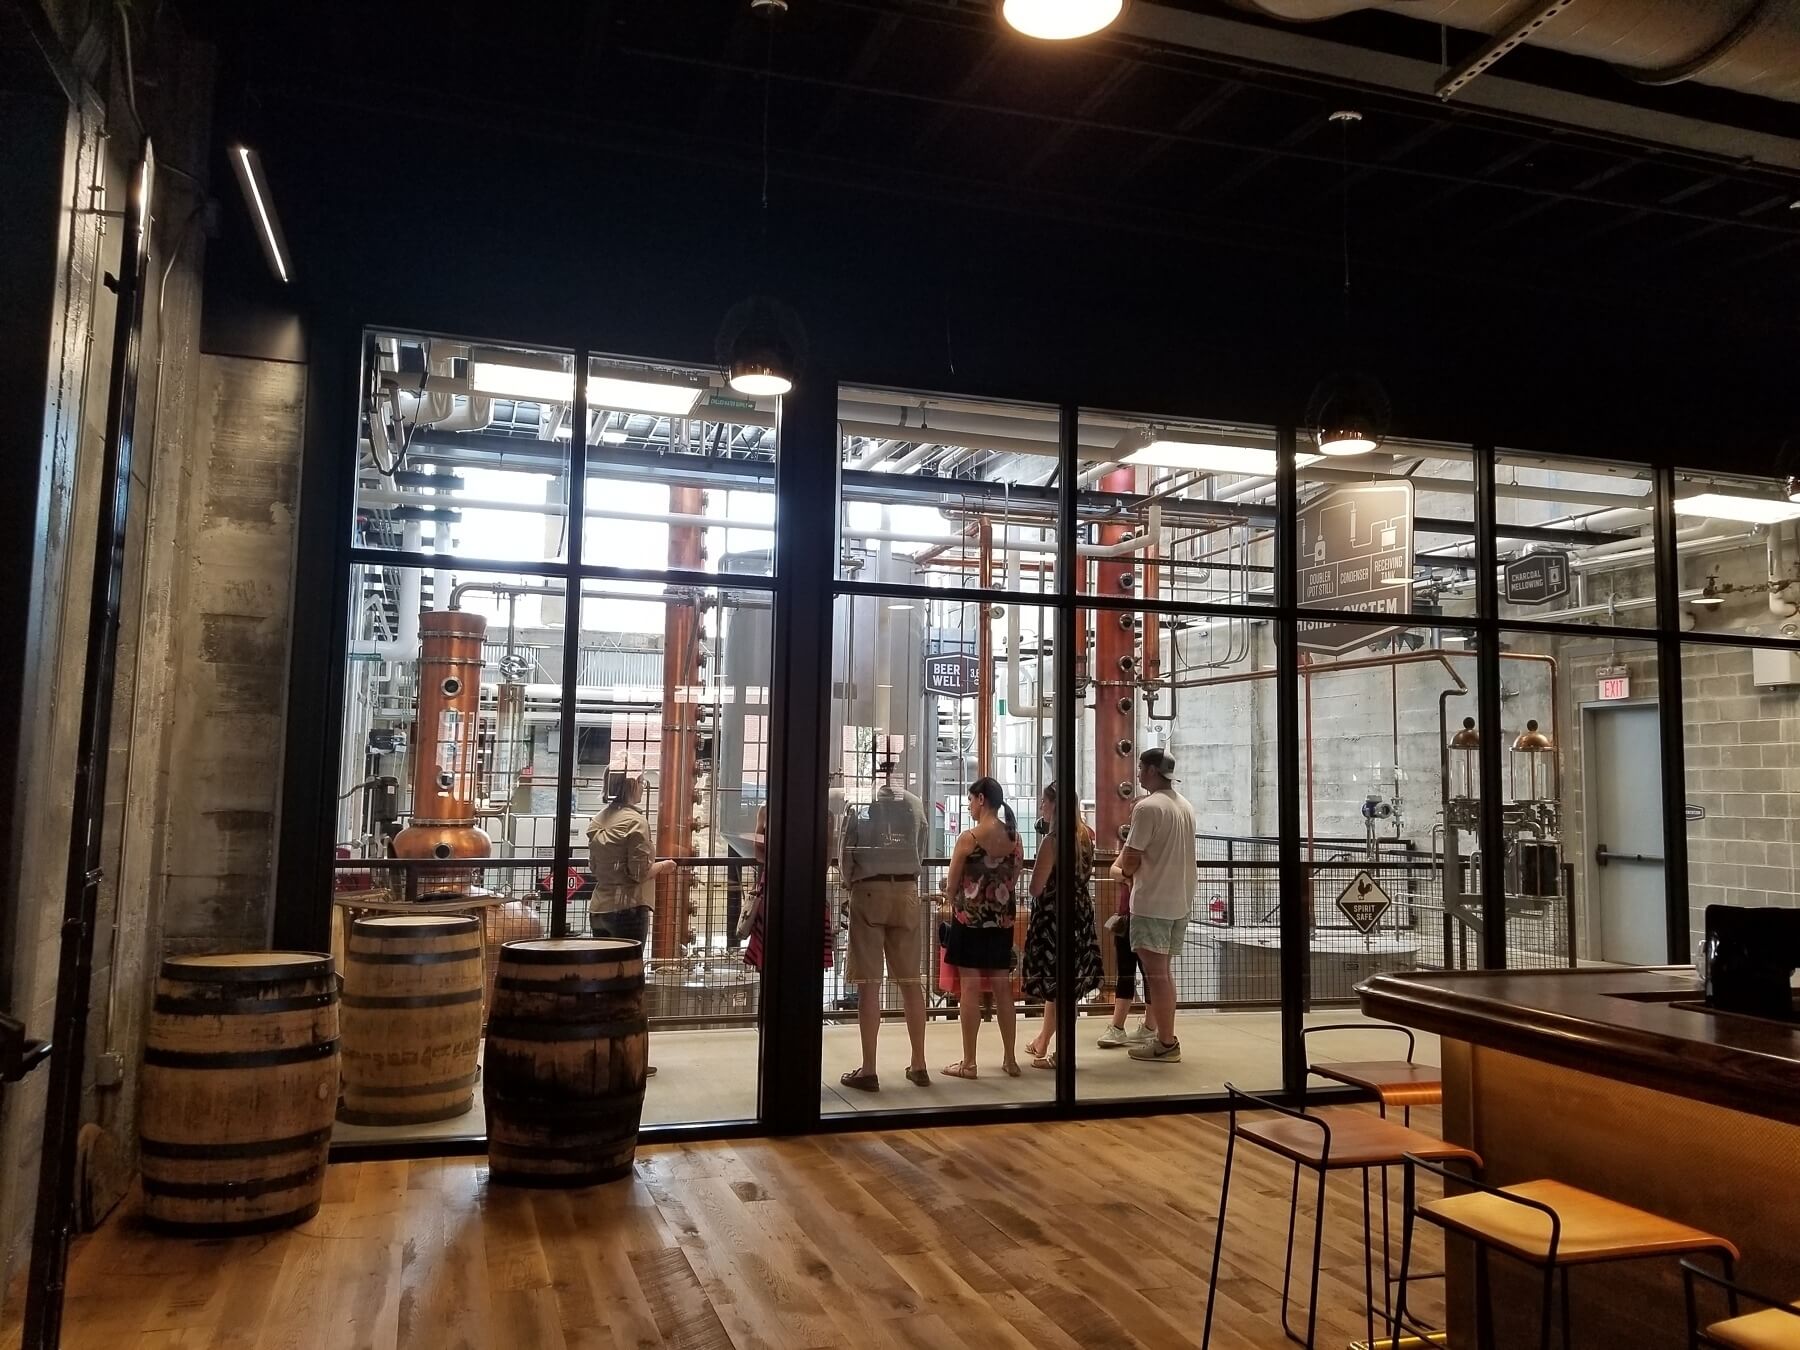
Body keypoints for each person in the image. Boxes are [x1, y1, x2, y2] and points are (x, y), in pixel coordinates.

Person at [837, 759, 932, 1091]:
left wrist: (852, 884)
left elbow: (846, 851)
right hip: (907, 889)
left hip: (869, 890)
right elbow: (921, 846)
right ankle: (919, 1064)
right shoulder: (915, 804)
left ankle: (869, 1068)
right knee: (910, 983)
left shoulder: (860, 804)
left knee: (869, 984)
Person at [1109, 747, 1196, 1064]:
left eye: (1142, 767)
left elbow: (1131, 856)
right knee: (1163, 974)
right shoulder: (1184, 806)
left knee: (1156, 975)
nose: (1138, 773)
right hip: (1179, 901)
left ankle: (1166, 1041)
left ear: (1152, 772)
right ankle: (1162, 1036)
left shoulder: (1147, 808)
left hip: (1151, 901)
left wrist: (1125, 875)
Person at [587, 769, 675, 1075]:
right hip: (629, 909)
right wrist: (664, 865)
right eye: (640, 783)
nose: (643, 787)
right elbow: (638, 873)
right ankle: (629, 1057)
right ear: (630, 787)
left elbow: (594, 867)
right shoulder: (636, 822)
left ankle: (600, 1050)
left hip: (600, 906)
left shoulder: (599, 819)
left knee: (604, 982)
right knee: (629, 986)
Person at [941, 776, 1025, 1080]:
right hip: (1001, 921)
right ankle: (1010, 1059)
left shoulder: (969, 838)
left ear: (980, 799)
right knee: (1003, 988)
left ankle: (970, 1062)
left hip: (969, 920)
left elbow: (951, 885)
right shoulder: (1014, 838)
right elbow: (1014, 879)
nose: (968, 805)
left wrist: (956, 896)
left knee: (971, 990)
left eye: (969, 799)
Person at [1021, 783, 1103, 1070]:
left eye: (1044, 801)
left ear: (1054, 805)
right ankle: (1045, 1040)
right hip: (1080, 913)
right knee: (1066, 983)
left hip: (1053, 918)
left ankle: (1062, 1051)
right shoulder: (1084, 837)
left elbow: (1035, 887)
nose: (1041, 806)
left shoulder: (1054, 840)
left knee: (1056, 982)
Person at [1095, 877, 1157, 1049]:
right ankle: (1121, 1027)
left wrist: (1126, 873)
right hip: (1127, 916)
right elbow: (1116, 869)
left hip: (1148, 917)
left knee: (1149, 974)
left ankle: (1148, 1026)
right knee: (1127, 972)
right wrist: (1125, 873)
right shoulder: (1130, 852)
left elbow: (1121, 868)